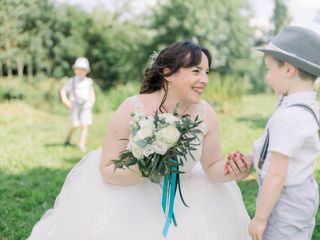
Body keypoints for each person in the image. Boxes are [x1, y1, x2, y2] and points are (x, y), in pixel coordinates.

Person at [28, 41, 252, 240]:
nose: (204, 80)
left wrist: (234, 170)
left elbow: (212, 166)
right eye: (196, 71)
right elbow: (107, 168)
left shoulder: (205, 113)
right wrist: (147, 167)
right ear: (167, 73)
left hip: (186, 194)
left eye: (206, 72)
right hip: (133, 191)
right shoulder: (132, 108)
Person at [245, 26, 320, 240]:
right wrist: (253, 159)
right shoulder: (304, 107)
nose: (267, 77)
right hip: (300, 195)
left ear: (288, 69)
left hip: (285, 202)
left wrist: (260, 218)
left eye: (269, 69)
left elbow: (277, 175)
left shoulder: (291, 117)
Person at [60, 57, 96, 152]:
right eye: (78, 69)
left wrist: (92, 100)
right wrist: (65, 100)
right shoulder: (72, 81)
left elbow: (91, 92)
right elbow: (63, 90)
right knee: (75, 124)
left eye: (83, 69)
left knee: (84, 125)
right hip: (75, 104)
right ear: (75, 69)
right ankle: (68, 138)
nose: (80, 71)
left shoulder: (88, 81)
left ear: (87, 71)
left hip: (86, 105)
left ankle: (81, 144)